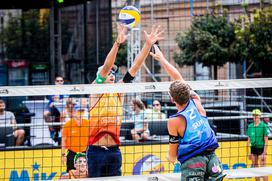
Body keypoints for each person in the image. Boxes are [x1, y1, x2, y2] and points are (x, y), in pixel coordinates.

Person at [87, 24, 164, 178]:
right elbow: (107, 66)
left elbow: (135, 67)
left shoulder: (118, 92)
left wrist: (148, 45)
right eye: (109, 73)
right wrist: (117, 43)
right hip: (96, 152)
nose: (112, 74)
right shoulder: (95, 90)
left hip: (115, 151)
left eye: (113, 73)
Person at [150, 45, 225, 180]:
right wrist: (162, 58)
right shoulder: (196, 101)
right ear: (187, 93)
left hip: (193, 162)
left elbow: (173, 150)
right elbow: (177, 77)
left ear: (172, 99)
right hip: (212, 159)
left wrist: (171, 158)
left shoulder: (174, 121)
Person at [61, 104, 89, 172]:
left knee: (86, 175)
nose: (81, 113)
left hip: (85, 154)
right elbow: (63, 140)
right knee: (70, 175)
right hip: (72, 154)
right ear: (74, 112)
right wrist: (63, 154)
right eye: (79, 111)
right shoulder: (67, 125)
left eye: (82, 112)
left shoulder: (88, 123)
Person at [44, 76, 69, 143]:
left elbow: (66, 99)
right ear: (55, 82)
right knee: (45, 114)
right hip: (52, 107)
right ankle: (52, 130)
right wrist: (55, 101)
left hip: (62, 107)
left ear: (63, 82)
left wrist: (57, 100)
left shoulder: (66, 89)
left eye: (61, 81)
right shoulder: (51, 89)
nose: (59, 82)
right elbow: (53, 99)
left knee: (62, 116)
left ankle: (61, 136)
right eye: (57, 81)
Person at [246, 109, 269, 181]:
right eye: (253, 115)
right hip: (253, 148)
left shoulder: (263, 126)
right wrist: (248, 153)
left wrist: (264, 153)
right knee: (256, 170)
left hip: (261, 148)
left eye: (256, 115)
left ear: (259, 116)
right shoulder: (250, 126)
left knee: (263, 170)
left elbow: (266, 141)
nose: (255, 117)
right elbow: (248, 141)